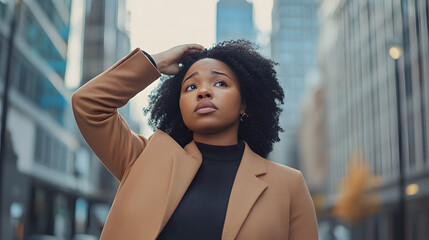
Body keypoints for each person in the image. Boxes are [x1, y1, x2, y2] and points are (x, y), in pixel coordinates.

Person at [71, 40, 318, 240]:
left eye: (220, 83)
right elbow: (88, 104)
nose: (203, 91)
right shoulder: (145, 160)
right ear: (178, 105)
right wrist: (156, 62)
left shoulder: (288, 185)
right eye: (190, 87)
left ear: (243, 103)